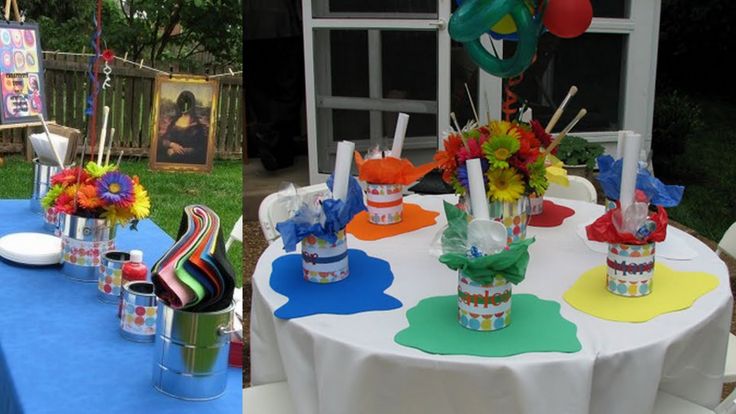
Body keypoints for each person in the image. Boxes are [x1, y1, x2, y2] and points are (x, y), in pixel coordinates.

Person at [245, 0, 303, 170]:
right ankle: (276, 145)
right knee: (288, 89)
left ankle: (266, 135)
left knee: (259, 91)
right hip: (283, 24)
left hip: (251, 27)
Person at [158, 90, 209, 165]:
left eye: (187, 102)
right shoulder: (173, 122)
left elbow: (200, 149)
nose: (184, 105)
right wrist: (171, 144)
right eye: (182, 102)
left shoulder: (197, 126)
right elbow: (163, 139)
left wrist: (178, 151)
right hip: (168, 157)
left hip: (189, 160)